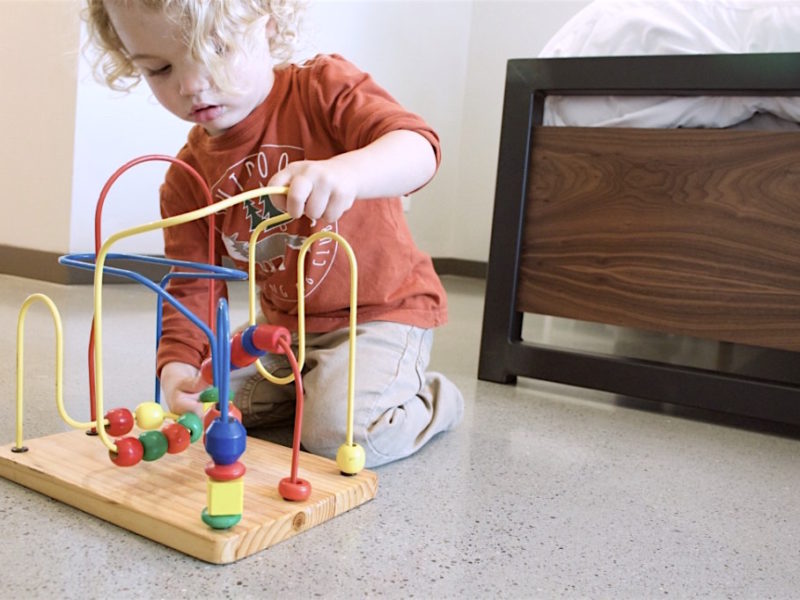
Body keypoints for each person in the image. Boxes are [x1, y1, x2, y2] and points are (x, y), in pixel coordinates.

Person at [84, 0, 463, 467]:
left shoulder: (323, 86)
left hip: (381, 313)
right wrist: (178, 369)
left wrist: (349, 172)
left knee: (339, 437)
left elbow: (419, 147)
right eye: (159, 69)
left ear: (268, 23)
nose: (189, 84)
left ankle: (435, 398)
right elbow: (193, 287)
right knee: (209, 409)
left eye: (216, 48)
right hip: (283, 330)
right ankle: (312, 388)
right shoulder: (186, 179)